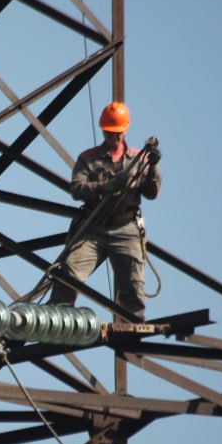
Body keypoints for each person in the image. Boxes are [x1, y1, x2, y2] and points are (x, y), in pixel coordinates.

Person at [49, 101, 162, 321]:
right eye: (109, 133)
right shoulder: (89, 158)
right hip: (94, 226)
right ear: (103, 130)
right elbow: (76, 189)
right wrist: (105, 187)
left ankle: (131, 329)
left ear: (125, 130)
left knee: (132, 282)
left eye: (117, 133)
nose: (113, 138)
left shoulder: (139, 160)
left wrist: (153, 167)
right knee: (69, 273)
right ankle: (57, 320)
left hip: (125, 226)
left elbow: (152, 193)